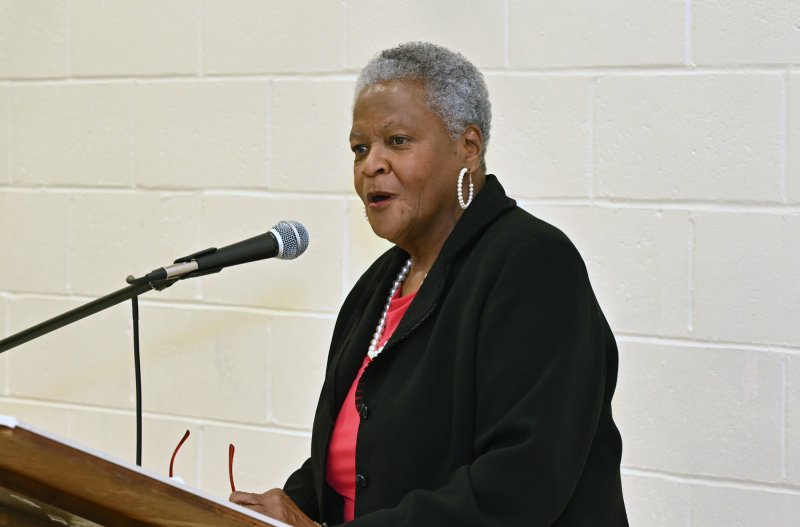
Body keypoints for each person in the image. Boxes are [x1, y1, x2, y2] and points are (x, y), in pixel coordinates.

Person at [230, 42, 628, 526]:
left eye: (397, 141)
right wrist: (275, 513)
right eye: (360, 148)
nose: (370, 164)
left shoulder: (533, 263)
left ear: (469, 147)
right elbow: (357, 464)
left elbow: (519, 485)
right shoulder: (377, 288)